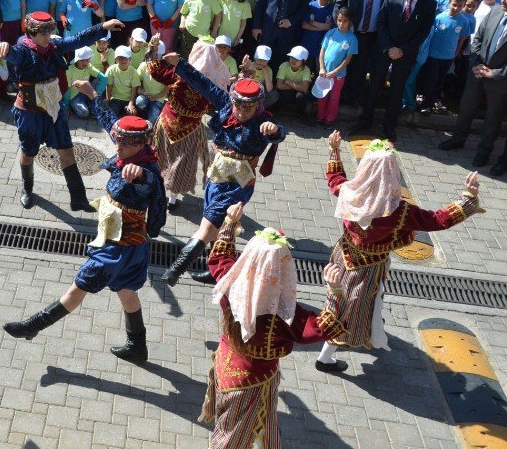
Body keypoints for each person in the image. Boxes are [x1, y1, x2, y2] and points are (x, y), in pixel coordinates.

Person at [2, 84, 164, 363]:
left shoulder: (145, 168)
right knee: (127, 291)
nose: (118, 146)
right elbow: (110, 123)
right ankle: (137, 346)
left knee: (80, 286)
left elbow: (151, 184)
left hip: (119, 247)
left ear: (140, 144)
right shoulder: (130, 147)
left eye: (124, 143)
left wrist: (140, 176)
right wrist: (92, 96)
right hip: (119, 238)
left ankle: (33, 326)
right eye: (118, 141)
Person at [316, 133, 482, 372]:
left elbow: (334, 179)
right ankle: (325, 358)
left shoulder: (351, 191)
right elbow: (437, 220)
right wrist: (468, 199)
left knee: (343, 302)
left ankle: (368, 329)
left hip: (343, 258)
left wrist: (334, 150)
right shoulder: (399, 211)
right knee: (350, 310)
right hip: (368, 270)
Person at [199, 201, 346, 446]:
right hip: (253, 383)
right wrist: (333, 290)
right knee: (233, 438)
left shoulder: (231, 282)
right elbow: (325, 326)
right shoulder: (285, 317)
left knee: (248, 424)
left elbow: (220, 256)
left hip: (226, 364)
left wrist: (229, 223)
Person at [157, 52, 285, 286]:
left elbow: (279, 133)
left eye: (248, 108)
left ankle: (175, 270)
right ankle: (219, 270)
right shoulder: (226, 105)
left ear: (257, 106)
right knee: (223, 226)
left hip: (237, 185)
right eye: (238, 106)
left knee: (207, 227)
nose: (241, 112)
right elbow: (203, 83)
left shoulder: (261, 123)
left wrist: (274, 131)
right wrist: (180, 64)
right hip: (215, 177)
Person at [0, 12, 124, 211]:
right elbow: (12, 53)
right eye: (43, 34)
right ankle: (27, 190)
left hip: (54, 111)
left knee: (67, 152)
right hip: (30, 113)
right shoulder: (23, 51)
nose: (48, 38)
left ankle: (78, 199)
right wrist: (4, 47)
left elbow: (79, 39)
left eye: (49, 33)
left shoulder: (55, 46)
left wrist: (103, 26)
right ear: (31, 32)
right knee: (29, 153)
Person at [146, 41, 232, 211]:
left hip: (167, 123)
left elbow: (153, 69)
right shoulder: (214, 85)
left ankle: (157, 191)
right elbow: (228, 101)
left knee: (161, 157)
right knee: (183, 164)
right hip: (191, 130)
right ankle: (172, 200)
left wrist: (152, 50)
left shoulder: (178, 75)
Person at [354, 0, 437, 143]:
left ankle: (389, 126)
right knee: (374, 85)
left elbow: (423, 32)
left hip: (406, 54)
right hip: (384, 49)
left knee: (397, 89)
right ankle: (365, 121)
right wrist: (389, 47)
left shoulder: (429, 4)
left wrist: (402, 49)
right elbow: (381, 22)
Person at [439, 0, 507, 174]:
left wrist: (496, 73)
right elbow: (478, 38)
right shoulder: (495, 11)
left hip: (499, 79)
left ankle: (484, 151)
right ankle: (458, 138)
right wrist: (476, 63)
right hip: (477, 71)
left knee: (493, 116)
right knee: (466, 107)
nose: (503, 0)